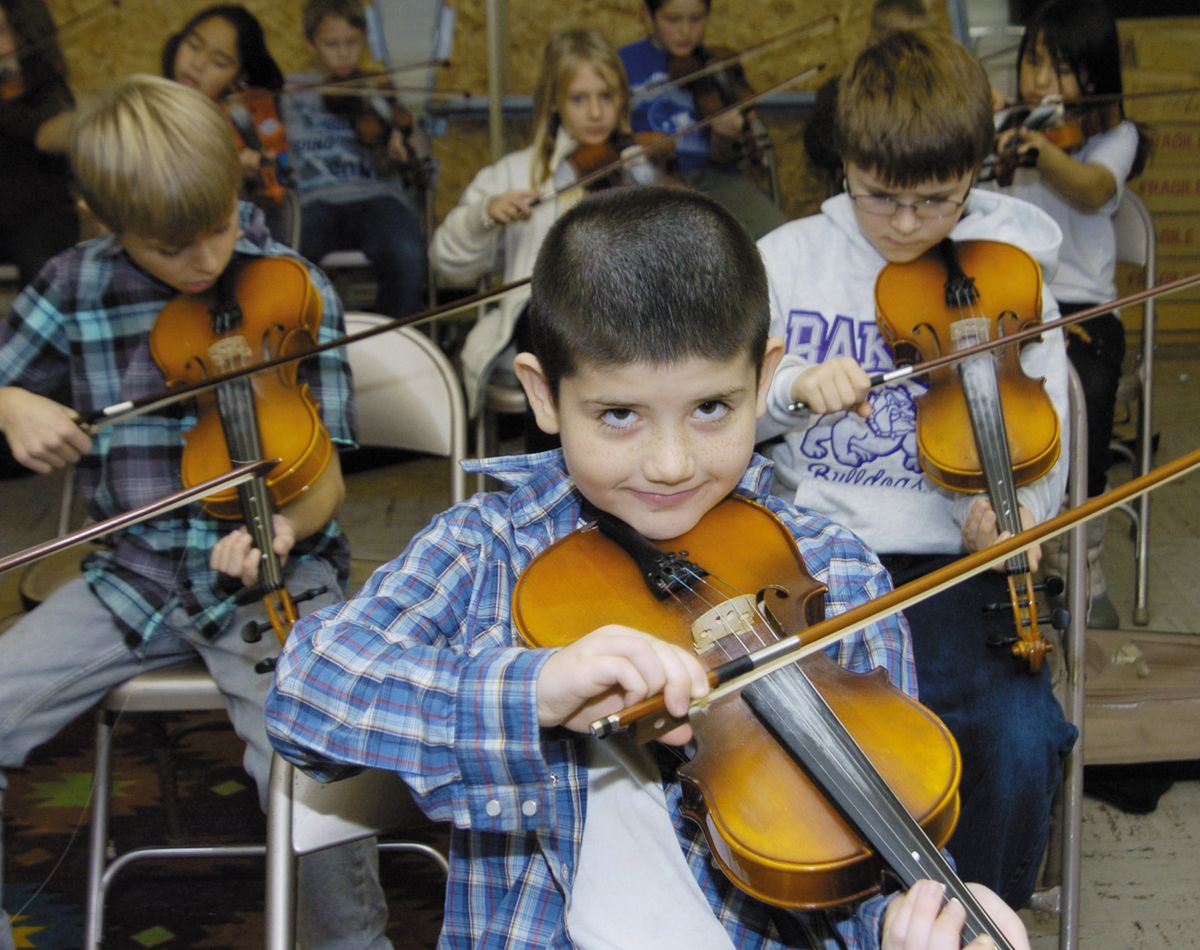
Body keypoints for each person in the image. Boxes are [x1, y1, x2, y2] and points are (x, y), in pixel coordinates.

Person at [266, 185, 1030, 949]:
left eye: (711, 409)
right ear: (542, 393)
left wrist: (905, 929)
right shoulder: (485, 548)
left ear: (765, 382)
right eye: (620, 415)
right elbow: (307, 691)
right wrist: (533, 688)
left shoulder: (836, 574)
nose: (670, 465)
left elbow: (855, 875)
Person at [0, 75, 392, 949]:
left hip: (277, 575)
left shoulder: (291, 286)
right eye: (172, 249)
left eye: (220, 226)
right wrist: (8, 402)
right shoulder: (72, 286)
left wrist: (285, 527)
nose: (209, 261)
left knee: (315, 755)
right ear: (102, 218)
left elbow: (329, 476)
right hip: (131, 579)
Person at [756, 29, 1077, 910]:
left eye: (935, 200)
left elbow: (1044, 423)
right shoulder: (788, 263)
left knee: (1017, 739)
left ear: (975, 172)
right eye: (879, 197)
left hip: (949, 564)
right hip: (814, 565)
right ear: (845, 164)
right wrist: (789, 390)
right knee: (804, 747)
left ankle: (976, 923)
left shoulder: (1008, 276)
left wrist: (1019, 514)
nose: (904, 225)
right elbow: (718, 415)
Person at [988, 0, 1151, 629]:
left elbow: (1091, 190)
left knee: (1085, 392)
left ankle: (1085, 559)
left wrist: (1037, 150)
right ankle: (1030, 542)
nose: (1042, 81)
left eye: (1062, 68)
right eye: (1034, 62)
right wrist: (998, 133)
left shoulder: (1114, 136)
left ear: (1096, 71)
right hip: (1012, 303)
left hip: (1083, 307)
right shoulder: (1018, 125)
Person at [431, 27, 653, 446]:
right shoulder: (516, 172)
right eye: (579, 98)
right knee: (548, 321)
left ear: (622, 99)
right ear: (554, 102)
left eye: (606, 97)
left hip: (630, 316)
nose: (594, 113)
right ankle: (556, 475)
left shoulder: (635, 165)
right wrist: (484, 216)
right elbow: (446, 261)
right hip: (545, 322)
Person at [280, 0, 427, 318]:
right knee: (289, 260)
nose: (343, 54)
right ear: (310, 43)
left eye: (352, 42)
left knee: (406, 252)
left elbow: (418, 149)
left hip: (377, 198)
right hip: (315, 201)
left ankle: (396, 341)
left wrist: (404, 139)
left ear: (364, 39)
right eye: (331, 44)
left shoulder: (378, 90)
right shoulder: (292, 93)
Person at [619, 0, 787, 240]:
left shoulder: (716, 64)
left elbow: (724, 156)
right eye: (673, 20)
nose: (685, 31)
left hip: (716, 179)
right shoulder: (624, 63)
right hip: (650, 180)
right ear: (647, 14)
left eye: (696, 19)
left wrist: (724, 135)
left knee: (778, 234)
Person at [162, 4, 296, 244]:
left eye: (220, 62)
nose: (198, 64)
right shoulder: (153, 107)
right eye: (193, 45)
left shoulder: (249, 109)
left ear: (238, 76)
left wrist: (251, 169)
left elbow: (279, 164)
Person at [802, 0, 931, 194]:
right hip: (866, 197)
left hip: (929, 190)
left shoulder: (937, 90)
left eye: (919, 45)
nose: (910, 54)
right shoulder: (842, 88)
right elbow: (819, 150)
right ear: (875, 40)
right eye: (900, 43)